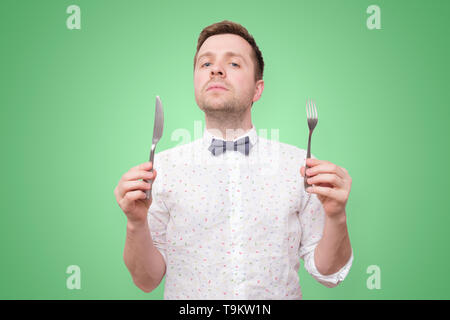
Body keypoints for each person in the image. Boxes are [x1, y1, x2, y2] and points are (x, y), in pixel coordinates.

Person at [114, 20, 354, 299]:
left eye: (234, 64)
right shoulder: (161, 170)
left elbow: (328, 274)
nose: (215, 69)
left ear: (257, 89)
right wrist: (135, 222)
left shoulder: (301, 166)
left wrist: (337, 216)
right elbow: (147, 280)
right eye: (205, 64)